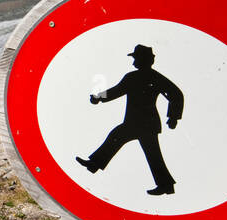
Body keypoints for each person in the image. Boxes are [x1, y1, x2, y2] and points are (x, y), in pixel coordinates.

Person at [76, 44, 183, 195]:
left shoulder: (140, 77)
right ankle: (94, 164)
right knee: (128, 143)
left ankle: (94, 164)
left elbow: (176, 94)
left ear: (144, 60)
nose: (134, 63)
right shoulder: (139, 77)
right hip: (140, 123)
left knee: (147, 152)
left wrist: (173, 117)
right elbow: (116, 91)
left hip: (142, 123)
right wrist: (99, 97)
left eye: (136, 59)